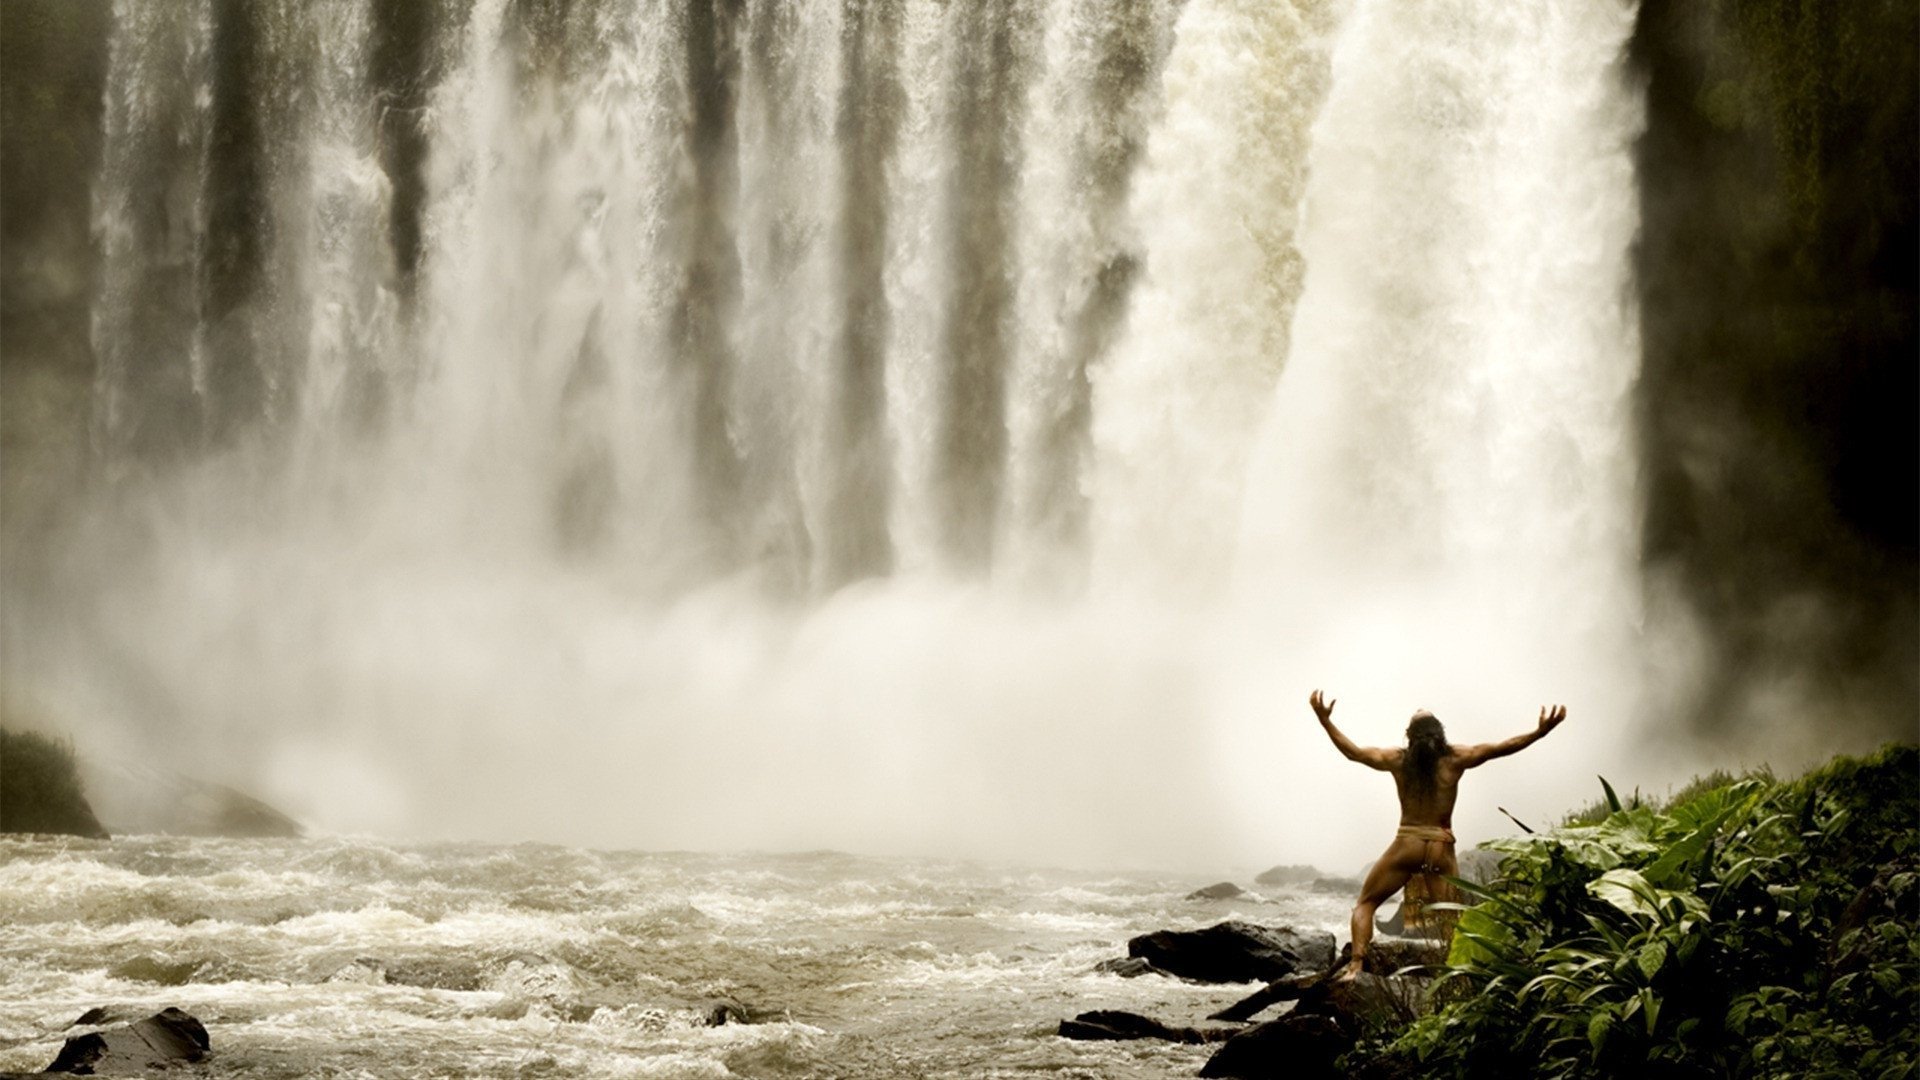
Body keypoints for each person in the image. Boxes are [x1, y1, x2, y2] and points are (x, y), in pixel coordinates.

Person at [1309, 689, 1567, 980]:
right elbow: (1501, 747)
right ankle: (1458, 975)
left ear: (1410, 735)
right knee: (1451, 919)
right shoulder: (1456, 758)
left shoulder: (1398, 759)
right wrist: (1539, 732)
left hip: (1407, 843)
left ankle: (1356, 967)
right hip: (1441, 846)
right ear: (1439, 733)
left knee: (1366, 904)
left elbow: (1354, 753)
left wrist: (1325, 721)